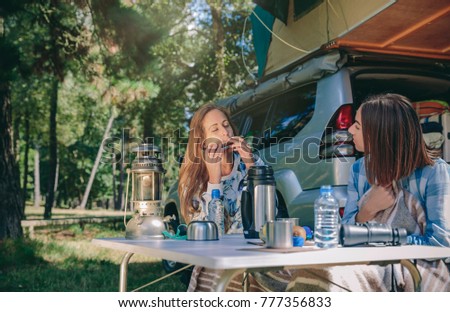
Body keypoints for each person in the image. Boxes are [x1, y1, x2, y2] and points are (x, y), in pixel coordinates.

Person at [341, 93, 450, 291]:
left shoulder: (434, 172)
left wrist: (383, 240)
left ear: (379, 134)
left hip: (416, 269)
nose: (349, 130)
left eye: (357, 126)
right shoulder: (359, 169)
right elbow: (344, 233)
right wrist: (368, 209)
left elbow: (441, 244)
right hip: (368, 262)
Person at [178, 103, 268, 291]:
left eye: (226, 125)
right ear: (202, 141)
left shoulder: (251, 162)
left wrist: (251, 164)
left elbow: (269, 214)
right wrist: (214, 180)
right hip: (215, 263)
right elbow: (207, 236)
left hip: (257, 255)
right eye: (215, 129)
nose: (225, 133)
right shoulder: (192, 179)